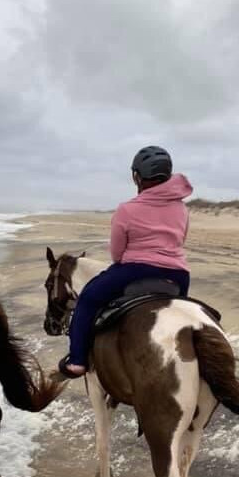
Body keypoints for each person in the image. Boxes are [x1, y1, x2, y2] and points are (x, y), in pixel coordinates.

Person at [58, 145, 192, 378]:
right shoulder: (182, 208)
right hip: (178, 274)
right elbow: (180, 239)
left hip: (134, 270)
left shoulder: (127, 210)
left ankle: (77, 360)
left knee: (88, 299)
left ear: (136, 176)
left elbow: (117, 254)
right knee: (183, 312)